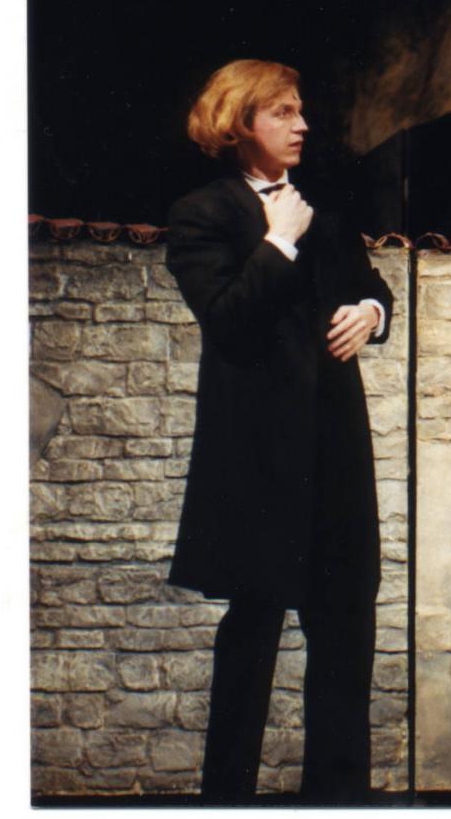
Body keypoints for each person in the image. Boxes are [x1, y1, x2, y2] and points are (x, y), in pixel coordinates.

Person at [165, 59, 393, 803]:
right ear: (241, 124)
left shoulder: (321, 203)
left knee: (346, 627)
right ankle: (227, 803)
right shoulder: (202, 213)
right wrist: (279, 242)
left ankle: (340, 804)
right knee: (253, 628)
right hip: (259, 460)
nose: (302, 125)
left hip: (335, 452)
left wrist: (371, 313)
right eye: (283, 113)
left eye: (301, 111)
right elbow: (227, 320)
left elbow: (370, 284)